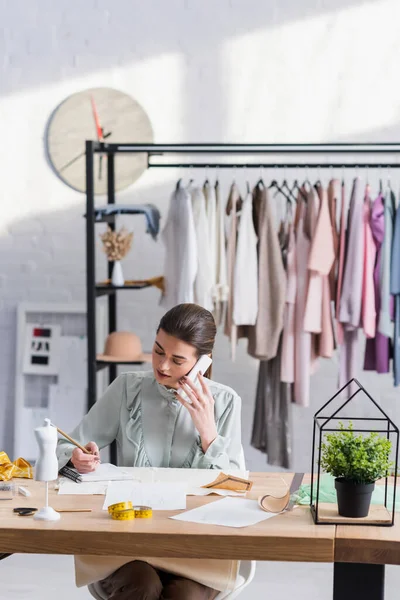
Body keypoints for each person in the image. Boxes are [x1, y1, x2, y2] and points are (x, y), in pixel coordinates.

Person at [57, 303, 243, 600]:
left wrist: (208, 433)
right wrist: (76, 457)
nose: (163, 366)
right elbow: (67, 444)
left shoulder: (226, 402)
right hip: (130, 544)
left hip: (195, 547)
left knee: (185, 594)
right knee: (142, 585)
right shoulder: (127, 389)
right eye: (158, 351)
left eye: (177, 359)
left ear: (202, 363)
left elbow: (237, 487)